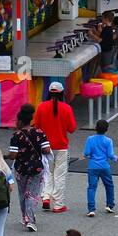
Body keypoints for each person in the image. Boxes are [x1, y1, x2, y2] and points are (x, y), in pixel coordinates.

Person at [33, 82, 77, 213]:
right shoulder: (66, 108)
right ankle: (58, 204)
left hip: (45, 146)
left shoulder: (41, 107)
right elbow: (72, 128)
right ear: (62, 93)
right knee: (59, 175)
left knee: (47, 173)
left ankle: (46, 197)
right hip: (61, 146)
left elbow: (37, 126)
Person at [7, 104, 48, 231]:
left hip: (21, 169)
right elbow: (46, 149)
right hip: (36, 168)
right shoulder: (40, 132)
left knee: (22, 193)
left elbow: (13, 155)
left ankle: (25, 217)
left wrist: (5, 156)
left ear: (19, 121)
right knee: (31, 194)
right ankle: (30, 220)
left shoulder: (16, 136)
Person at [83, 119, 118, 217]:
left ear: (96, 128)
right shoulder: (108, 141)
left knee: (92, 187)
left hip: (93, 166)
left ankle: (91, 209)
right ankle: (109, 205)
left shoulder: (90, 139)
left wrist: (90, 157)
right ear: (106, 129)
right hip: (104, 166)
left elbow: (86, 153)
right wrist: (115, 158)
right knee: (109, 185)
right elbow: (110, 154)